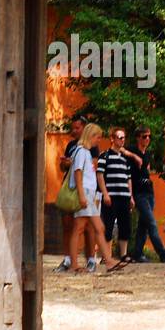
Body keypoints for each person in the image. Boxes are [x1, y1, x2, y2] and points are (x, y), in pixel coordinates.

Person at [67, 123, 123, 274]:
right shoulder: (82, 152)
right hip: (84, 193)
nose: (99, 140)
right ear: (91, 136)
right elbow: (78, 173)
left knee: (85, 228)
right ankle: (106, 261)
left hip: (87, 193)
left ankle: (104, 261)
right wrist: (81, 195)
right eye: (98, 137)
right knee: (94, 228)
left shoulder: (84, 152)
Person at [55, 115, 98, 273]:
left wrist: (72, 163)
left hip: (85, 189)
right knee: (68, 225)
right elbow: (67, 168)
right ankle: (68, 260)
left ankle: (91, 259)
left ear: (84, 129)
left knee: (88, 227)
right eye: (73, 128)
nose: (74, 131)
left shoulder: (91, 147)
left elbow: (92, 166)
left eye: (77, 128)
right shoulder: (72, 145)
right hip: (71, 188)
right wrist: (65, 163)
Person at [125, 127, 165, 265]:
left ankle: (137, 254)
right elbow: (120, 149)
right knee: (151, 223)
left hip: (149, 192)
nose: (147, 139)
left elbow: (147, 169)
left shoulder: (148, 154)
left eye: (149, 137)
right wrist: (134, 157)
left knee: (143, 225)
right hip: (139, 193)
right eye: (144, 136)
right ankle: (163, 254)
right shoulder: (132, 150)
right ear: (138, 137)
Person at [97, 128, 135, 266]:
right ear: (112, 139)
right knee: (108, 225)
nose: (122, 140)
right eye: (119, 137)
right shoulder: (104, 156)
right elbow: (100, 175)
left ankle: (123, 254)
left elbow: (128, 178)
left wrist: (131, 196)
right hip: (111, 196)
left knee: (125, 225)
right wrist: (105, 193)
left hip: (124, 196)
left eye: (124, 137)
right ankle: (107, 255)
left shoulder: (125, 159)